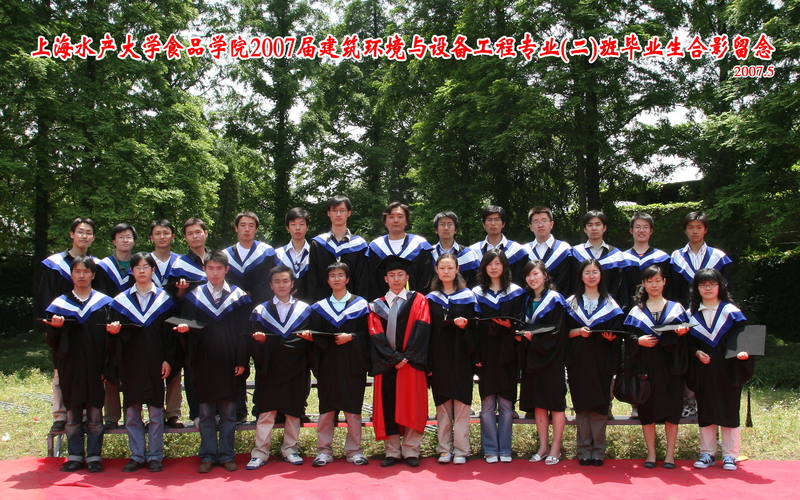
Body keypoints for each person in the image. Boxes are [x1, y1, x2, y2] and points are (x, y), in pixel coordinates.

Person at [174, 250, 252, 473]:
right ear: (204, 270)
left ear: (226, 270)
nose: (215, 273)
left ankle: (227, 455)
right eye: (211, 268)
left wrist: (241, 359)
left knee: (228, 412)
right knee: (206, 413)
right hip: (204, 361)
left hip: (229, 361)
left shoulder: (239, 298)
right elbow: (187, 328)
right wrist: (184, 332)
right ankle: (208, 455)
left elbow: (244, 331)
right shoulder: (194, 297)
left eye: (219, 268)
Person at [107, 252, 177, 473]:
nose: (142, 270)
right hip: (131, 363)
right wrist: (113, 333)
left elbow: (172, 336)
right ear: (132, 271)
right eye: (137, 267)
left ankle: (155, 456)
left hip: (156, 362)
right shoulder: (120, 302)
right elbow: (112, 337)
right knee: (132, 412)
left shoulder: (165, 301)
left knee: (156, 413)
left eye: (146, 267)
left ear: (153, 270)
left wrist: (168, 359)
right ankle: (137, 456)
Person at [43, 255, 113, 473]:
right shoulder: (60, 305)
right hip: (70, 366)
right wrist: (55, 328)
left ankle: (94, 456)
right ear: (71, 275)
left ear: (93, 274)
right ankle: (74, 456)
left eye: (86, 271)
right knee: (72, 415)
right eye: (77, 271)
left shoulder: (104, 304)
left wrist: (106, 366)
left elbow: (110, 341)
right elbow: (51, 342)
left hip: (95, 366)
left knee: (95, 414)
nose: (81, 275)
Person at [301, 262, 371, 467]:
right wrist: (311, 338)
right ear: (328, 280)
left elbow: (369, 335)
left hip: (352, 365)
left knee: (353, 409)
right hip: (328, 365)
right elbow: (316, 337)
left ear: (347, 279)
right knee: (327, 409)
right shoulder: (319, 308)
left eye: (341, 275)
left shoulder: (361, 305)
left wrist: (352, 337)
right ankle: (324, 451)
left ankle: (354, 451)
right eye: (332, 275)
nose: (337, 278)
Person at [622, 265, 690, 469]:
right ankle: (651, 453)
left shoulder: (677, 309)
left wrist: (681, 334)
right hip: (646, 367)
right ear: (643, 284)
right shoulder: (636, 311)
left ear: (664, 282)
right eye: (649, 281)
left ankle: (670, 454)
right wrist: (638, 341)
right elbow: (627, 339)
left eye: (657, 280)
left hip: (671, 366)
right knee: (647, 410)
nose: (654, 285)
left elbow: (688, 341)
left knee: (673, 409)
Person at [686, 268, 753, 471]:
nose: (707, 288)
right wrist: (696, 352)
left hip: (728, 370)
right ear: (697, 288)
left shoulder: (731, 313)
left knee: (730, 410)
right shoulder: (691, 315)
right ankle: (707, 453)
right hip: (704, 371)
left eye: (712, 284)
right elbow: (687, 344)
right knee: (706, 410)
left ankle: (730, 455)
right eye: (703, 284)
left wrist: (744, 354)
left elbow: (744, 339)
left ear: (720, 286)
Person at [35, 217, 98, 433]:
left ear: (93, 237)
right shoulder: (55, 264)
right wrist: (49, 325)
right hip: (61, 325)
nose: (84, 236)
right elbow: (45, 295)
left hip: (87, 326)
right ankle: (61, 414)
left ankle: (85, 412)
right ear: (72, 234)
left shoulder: (95, 265)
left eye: (88, 232)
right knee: (60, 370)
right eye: (80, 231)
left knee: (88, 369)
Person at [368, 255, 431, 467]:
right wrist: (393, 357)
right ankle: (392, 452)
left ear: (407, 277)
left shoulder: (419, 300)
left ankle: (412, 450)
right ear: (385, 279)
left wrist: (407, 356)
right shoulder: (377, 305)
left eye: (400, 275)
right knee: (388, 406)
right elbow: (375, 334)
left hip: (411, 363)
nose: (396, 279)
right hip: (387, 364)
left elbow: (422, 329)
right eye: (392, 275)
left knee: (412, 404)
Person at [247, 265, 312, 469]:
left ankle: (290, 449)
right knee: (267, 410)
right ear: (271, 285)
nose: (281, 285)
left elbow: (310, 344)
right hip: (270, 367)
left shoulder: (305, 310)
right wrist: (259, 343)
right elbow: (253, 344)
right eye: (277, 281)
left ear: (292, 284)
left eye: (285, 281)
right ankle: (260, 452)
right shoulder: (260, 311)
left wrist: (310, 338)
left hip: (296, 366)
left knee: (293, 410)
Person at [565, 258, 624, 467]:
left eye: (595, 272)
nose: (591, 276)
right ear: (581, 276)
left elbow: (618, 334)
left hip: (602, 360)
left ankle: (598, 451)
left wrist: (611, 338)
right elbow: (562, 333)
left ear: (601, 275)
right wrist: (577, 332)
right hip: (578, 361)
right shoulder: (570, 303)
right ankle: (583, 450)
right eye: (587, 272)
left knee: (599, 406)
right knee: (582, 407)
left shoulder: (610, 304)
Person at [472, 249, 526, 463]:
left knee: (505, 403)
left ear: (504, 266)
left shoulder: (517, 293)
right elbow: (474, 328)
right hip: (486, 354)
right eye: (489, 263)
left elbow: (521, 324)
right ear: (484, 267)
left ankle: (505, 449)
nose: (494, 267)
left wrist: (509, 326)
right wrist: (475, 354)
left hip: (508, 354)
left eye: (497, 263)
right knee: (487, 403)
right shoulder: (476, 294)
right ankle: (489, 449)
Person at [426, 253, 479, 465]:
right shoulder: (430, 299)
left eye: (450, 268)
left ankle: (461, 450)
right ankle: (444, 449)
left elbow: (476, 329)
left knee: (462, 405)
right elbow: (426, 332)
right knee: (443, 406)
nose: (446, 271)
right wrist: (428, 362)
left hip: (462, 357)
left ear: (457, 270)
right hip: (439, 358)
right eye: (442, 268)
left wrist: (465, 327)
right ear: (436, 271)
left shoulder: (468, 297)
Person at [516, 260, 569, 466]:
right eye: (528, 275)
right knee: (539, 404)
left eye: (536, 273)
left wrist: (535, 340)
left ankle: (556, 447)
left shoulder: (555, 300)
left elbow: (559, 332)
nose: (532, 278)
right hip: (533, 359)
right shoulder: (526, 300)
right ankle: (543, 446)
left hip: (552, 359)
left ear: (545, 275)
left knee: (555, 404)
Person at [94, 223, 138, 430]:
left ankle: (132, 414)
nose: (125, 240)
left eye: (129, 236)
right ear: (113, 241)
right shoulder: (103, 267)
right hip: (109, 323)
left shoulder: (139, 265)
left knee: (131, 368)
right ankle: (111, 416)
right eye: (121, 236)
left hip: (133, 324)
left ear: (134, 241)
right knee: (111, 367)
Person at [307, 195, 370, 302]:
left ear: (349, 213)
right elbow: (312, 279)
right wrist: (314, 305)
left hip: (352, 304)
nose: (338, 214)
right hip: (323, 304)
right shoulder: (318, 244)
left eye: (342, 210)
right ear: (328, 213)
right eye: (334, 210)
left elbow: (363, 280)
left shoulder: (359, 245)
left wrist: (360, 304)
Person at [368, 201, 433, 299]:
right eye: (391, 217)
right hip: (383, 304)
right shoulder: (375, 247)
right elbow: (372, 281)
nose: (396, 220)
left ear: (407, 221)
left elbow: (426, 279)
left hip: (416, 304)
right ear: (385, 221)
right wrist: (380, 304)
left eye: (400, 216)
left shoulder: (420, 245)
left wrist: (417, 302)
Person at [669, 212, 733, 308]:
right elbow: (673, 291)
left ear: (705, 230)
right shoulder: (677, 257)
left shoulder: (718, 257)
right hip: (684, 311)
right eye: (690, 228)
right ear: (685, 231)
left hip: (714, 310)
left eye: (699, 227)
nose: (695, 231)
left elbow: (725, 289)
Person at [570, 210, 631, 310]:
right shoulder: (575, 253)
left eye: (598, 224)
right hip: (580, 308)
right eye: (590, 225)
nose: (594, 228)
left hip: (608, 309)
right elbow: (572, 283)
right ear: (585, 229)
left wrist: (609, 307)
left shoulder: (616, 256)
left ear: (604, 228)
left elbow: (619, 287)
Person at [224, 211, 276, 305]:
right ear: (236, 228)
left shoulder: (267, 252)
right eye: (243, 225)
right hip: (233, 304)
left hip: (262, 304)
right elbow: (225, 281)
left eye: (251, 226)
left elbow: (270, 279)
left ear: (256, 229)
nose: (247, 229)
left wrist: (252, 293)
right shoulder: (226, 255)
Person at [469, 205, 529, 286]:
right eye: (489, 220)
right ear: (483, 224)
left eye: (497, 219)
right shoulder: (473, 251)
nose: (493, 223)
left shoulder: (517, 250)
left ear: (503, 223)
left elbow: (520, 281)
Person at [623, 213, 671, 310]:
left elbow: (669, 289)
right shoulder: (622, 259)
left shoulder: (662, 258)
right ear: (631, 230)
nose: (641, 230)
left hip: (658, 309)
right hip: (629, 312)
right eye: (637, 227)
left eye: (645, 227)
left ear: (651, 231)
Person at [525, 206, 573, 295]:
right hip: (531, 301)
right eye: (536, 222)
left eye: (544, 221)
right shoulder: (524, 251)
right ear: (531, 227)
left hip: (559, 299)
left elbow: (567, 281)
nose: (540, 225)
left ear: (551, 224)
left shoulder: (564, 250)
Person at [430, 211, 480, 288]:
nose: (446, 228)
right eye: (442, 224)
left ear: (456, 229)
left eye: (450, 224)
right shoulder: (429, 253)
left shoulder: (468, 255)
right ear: (436, 230)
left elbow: (475, 282)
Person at [274, 207, 311, 302]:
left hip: (310, 304)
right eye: (293, 224)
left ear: (307, 227)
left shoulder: (314, 254)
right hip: (283, 303)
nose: (297, 228)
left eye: (301, 224)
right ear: (287, 227)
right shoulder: (278, 254)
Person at [149, 219, 181, 291]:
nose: (162, 237)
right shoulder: (144, 260)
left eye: (166, 233)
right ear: (152, 238)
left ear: (172, 237)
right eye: (157, 234)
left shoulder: (180, 261)